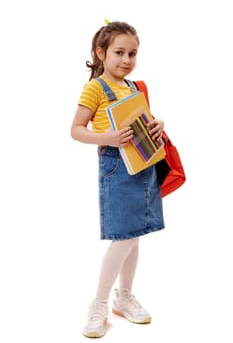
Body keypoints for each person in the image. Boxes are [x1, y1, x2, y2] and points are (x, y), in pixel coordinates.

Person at [70, 20, 165, 338]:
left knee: (135, 234)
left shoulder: (135, 87)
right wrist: (108, 137)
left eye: (132, 53)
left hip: (143, 164)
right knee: (122, 237)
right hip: (116, 168)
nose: (126, 60)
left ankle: (124, 297)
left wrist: (157, 125)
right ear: (101, 52)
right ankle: (99, 303)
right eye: (119, 52)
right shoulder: (95, 87)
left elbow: (143, 122)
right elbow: (76, 130)